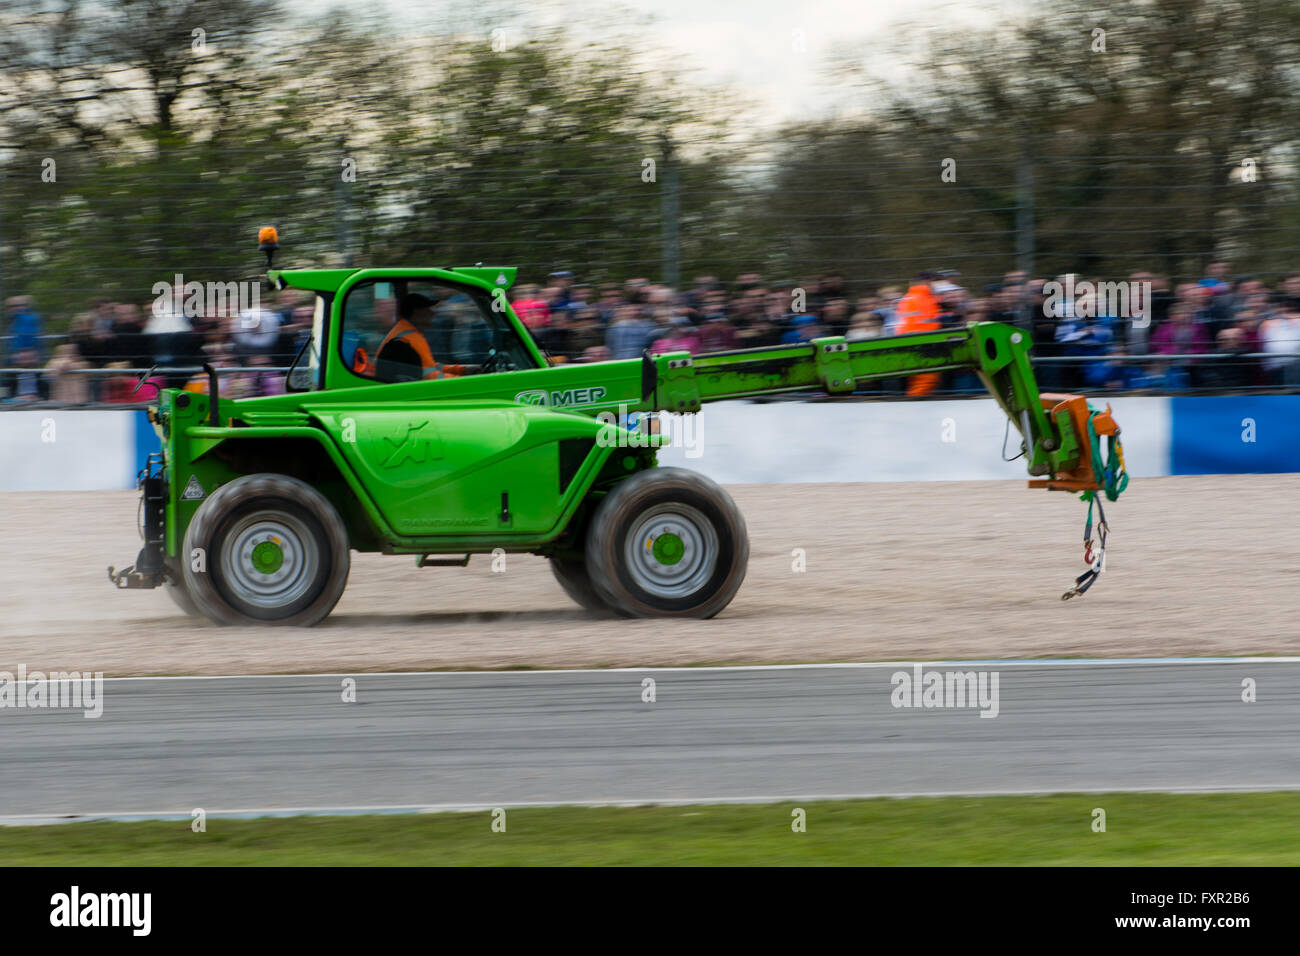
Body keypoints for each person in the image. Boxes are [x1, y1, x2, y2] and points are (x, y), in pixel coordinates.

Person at [373, 293, 468, 381]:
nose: (433, 313)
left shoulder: (406, 331)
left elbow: (429, 366)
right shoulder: (410, 337)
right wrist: (463, 380)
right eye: (428, 309)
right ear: (417, 314)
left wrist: (462, 370)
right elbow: (430, 376)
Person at [895, 272, 942, 396]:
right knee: (926, 380)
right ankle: (913, 406)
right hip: (922, 346)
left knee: (919, 381)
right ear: (928, 281)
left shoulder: (912, 297)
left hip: (913, 344)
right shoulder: (924, 298)